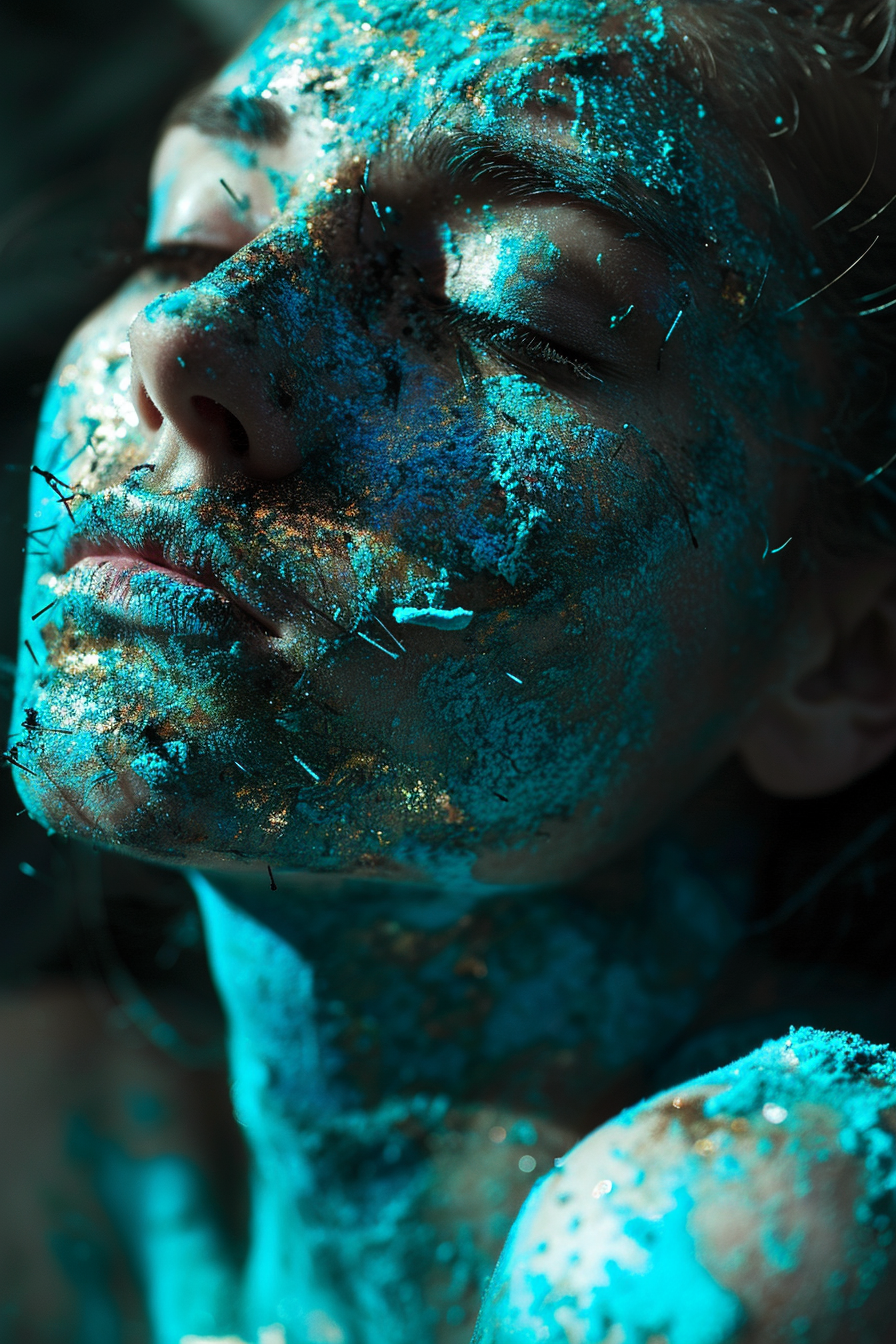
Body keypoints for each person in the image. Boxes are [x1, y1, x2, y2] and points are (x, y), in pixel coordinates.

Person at [8, 0, 896, 1336]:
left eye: (517, 311)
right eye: (189, 232)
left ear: (851, 656)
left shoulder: (736, 1227)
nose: (188, 341)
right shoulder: (63, 1163)